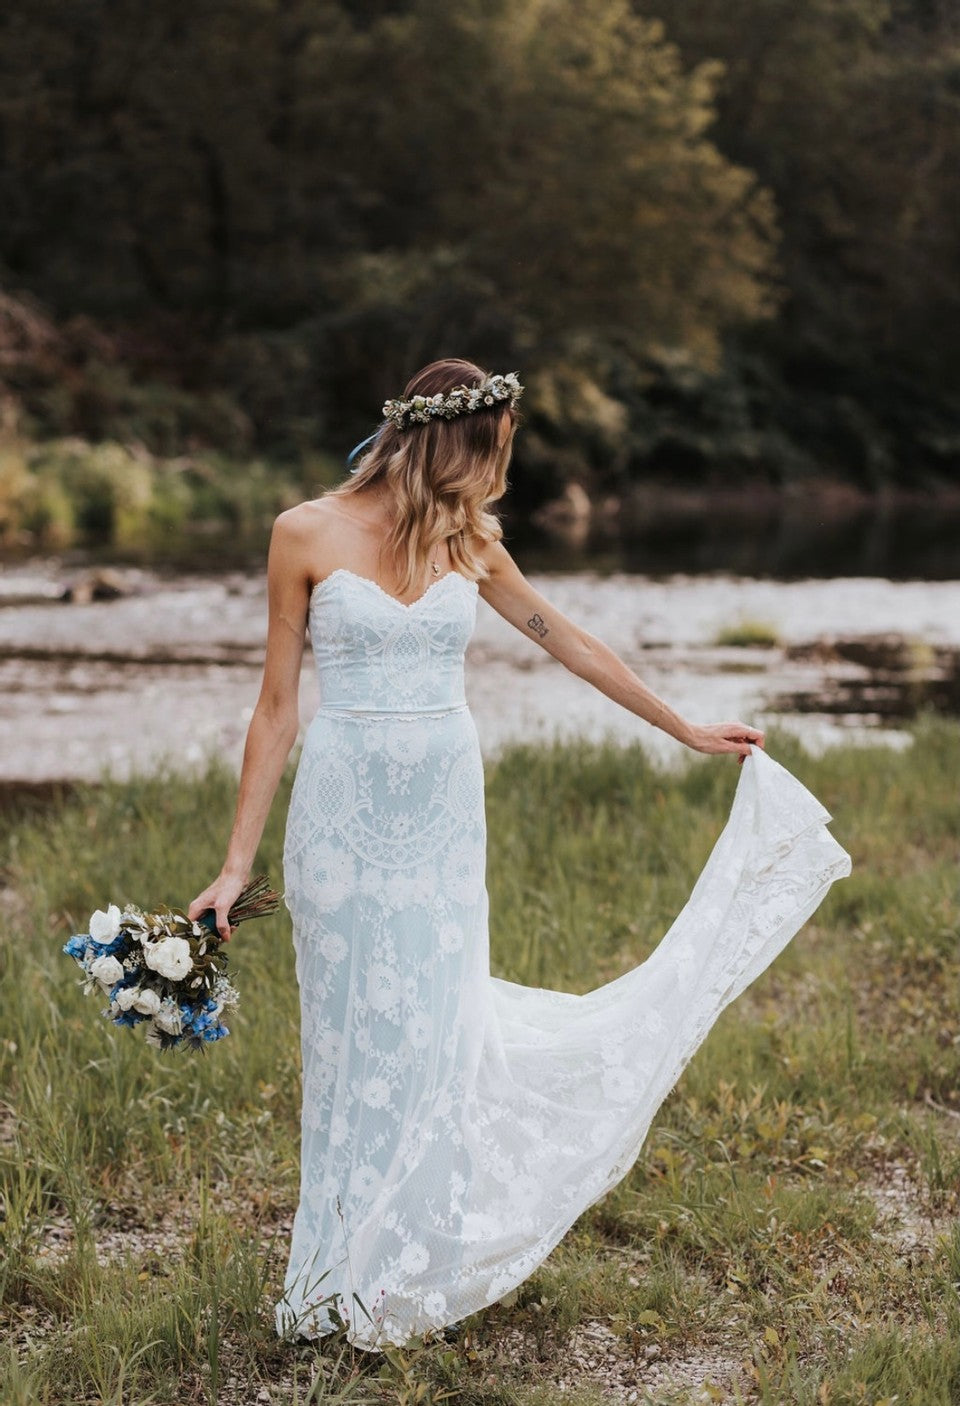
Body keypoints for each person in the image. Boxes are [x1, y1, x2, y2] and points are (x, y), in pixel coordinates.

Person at [188, 357, 851, 1351]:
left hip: (444, 820)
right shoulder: (302, 531)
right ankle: (333, 1269)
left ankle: (407, 1271)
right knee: (353, 1038)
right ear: (443, 441)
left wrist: (684, 726)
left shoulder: (473, 542)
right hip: (341, 820)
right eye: (492, 453)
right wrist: (237, 867)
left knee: (438, 1029)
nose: (497, 475)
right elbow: (277, 708)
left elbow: (570, 642)